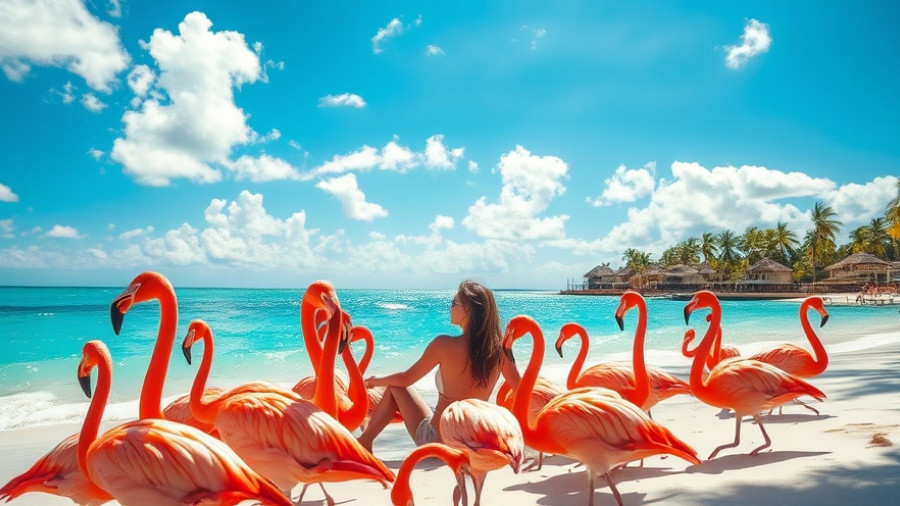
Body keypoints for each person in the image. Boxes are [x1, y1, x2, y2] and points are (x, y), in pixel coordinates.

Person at [357, 280, 521, 451]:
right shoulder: (498, 350)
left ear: (467, 310)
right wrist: (508, 351)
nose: (450, 308)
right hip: (476, 443)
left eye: (453, 303)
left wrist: (375, 381)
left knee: (395, 388)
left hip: (438, 442)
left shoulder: (443, 345)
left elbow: (405, 379)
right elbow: (519, 388)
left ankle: (365, 441)